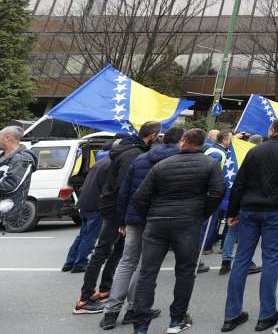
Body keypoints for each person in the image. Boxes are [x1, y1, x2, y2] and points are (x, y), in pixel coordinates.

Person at [130, 128, 226, 334]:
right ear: (201, 144)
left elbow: (139, 197)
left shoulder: (161, 165)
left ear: (183, 142)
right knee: (185, 272)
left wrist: (151, 214)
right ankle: (177, 320)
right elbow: (218, 191)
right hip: (188, 222)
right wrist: (201, 213)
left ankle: (140, 325)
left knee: (148, 272)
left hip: (157, 221)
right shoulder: (209, 164)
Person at [222, 118, 278, 332]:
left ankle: (231, 314)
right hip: (276, 211)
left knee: (241, 258)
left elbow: (239, 183)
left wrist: (232, 212)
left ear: (271, 129)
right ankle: (266, 313)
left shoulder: (254, 151)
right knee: (271, 259)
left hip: (249, 209)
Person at [99, 127, 184, 328]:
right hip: (157, 218)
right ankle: (134, 308)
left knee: (127, 262)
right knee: (143, 265)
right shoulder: (176, 161)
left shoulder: (141, 158)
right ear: (181, 141)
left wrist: (122, 220)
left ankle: (110, 312)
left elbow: (124, 191)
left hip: (134, 218)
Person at [75, 121, 161, 314]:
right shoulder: (134, 154)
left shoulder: (130, 149)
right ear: (153, 135)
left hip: (115, 208)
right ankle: (84, 299)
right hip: (116, 210)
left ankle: (105, 288)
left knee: (117, 252)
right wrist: (123, 218)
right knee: (103, 250)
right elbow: (125, 188)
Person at [63, 147, 110, 272]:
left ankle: (69, 262)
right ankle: (80, 263)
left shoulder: (99, 163)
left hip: (84, 203)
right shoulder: (110, 165)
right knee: (90, 236)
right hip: (95, 205)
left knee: (82, 235)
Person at [0, 125, 37, 231]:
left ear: (7, 138)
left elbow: (11, 184)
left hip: (7, 210)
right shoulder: (4, 156)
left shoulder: (22, 159)